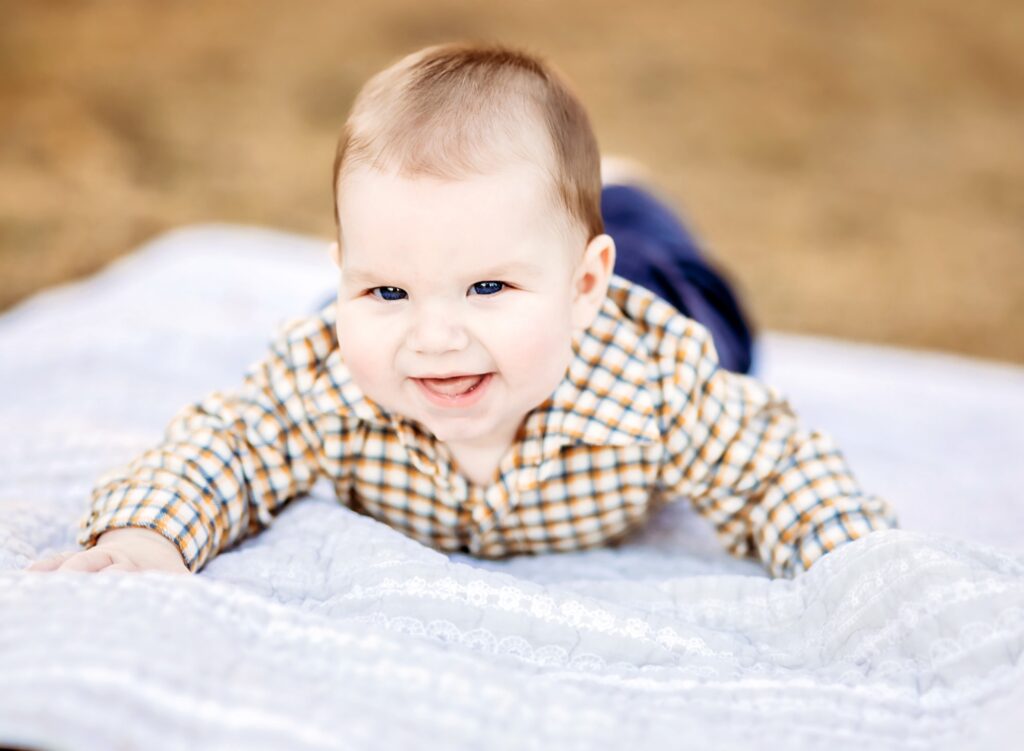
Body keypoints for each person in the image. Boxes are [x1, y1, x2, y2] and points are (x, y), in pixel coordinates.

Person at [27, 42, 896, 578]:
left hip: (647, 282)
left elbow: (778, 467)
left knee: (703, 311)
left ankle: (616, 198)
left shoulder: (658, 377)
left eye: (487, 288)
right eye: (384, 289)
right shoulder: (326, 374)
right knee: (359, 327)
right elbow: (227, 444)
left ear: (587, 286)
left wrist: (857, 556)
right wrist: (149, 534)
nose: (437, 337)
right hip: (475, 276)